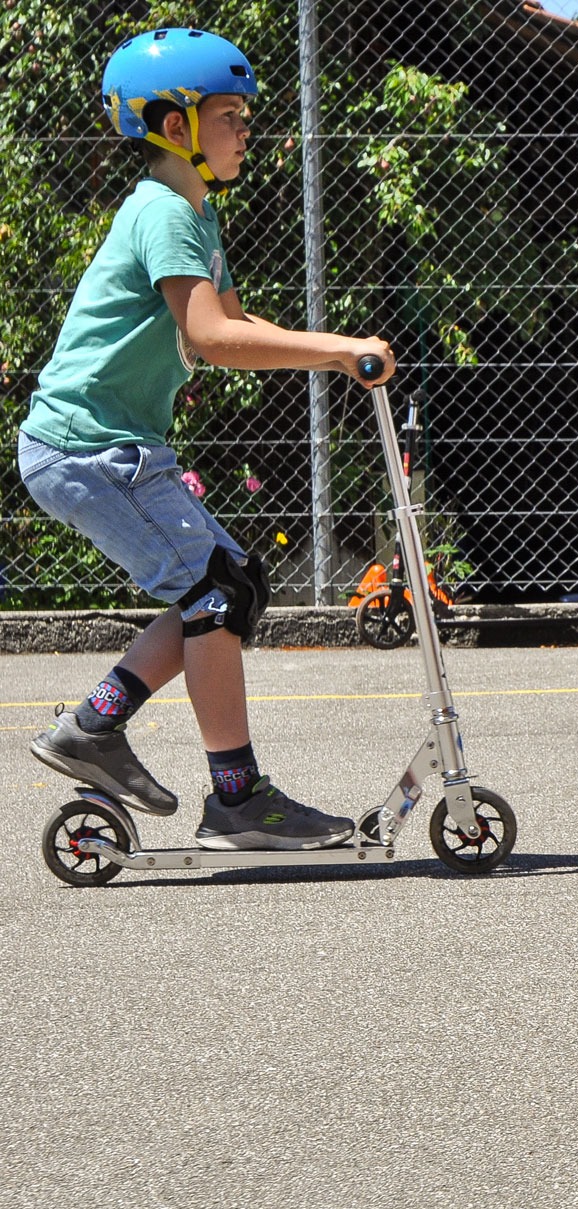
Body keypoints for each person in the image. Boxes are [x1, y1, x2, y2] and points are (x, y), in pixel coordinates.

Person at [21, 29, 394, 848]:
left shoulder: (192, 211)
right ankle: (236, 799)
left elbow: (223, 327)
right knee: (215, 598)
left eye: (247, 115)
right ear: (173, 123)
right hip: (88, 445)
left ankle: (93, 729)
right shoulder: (164, 212)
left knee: (233, 584)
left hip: (109, 446)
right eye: (230, 114)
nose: (247, 129)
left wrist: (336, 352)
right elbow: (215, 339)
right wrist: (336, 351)